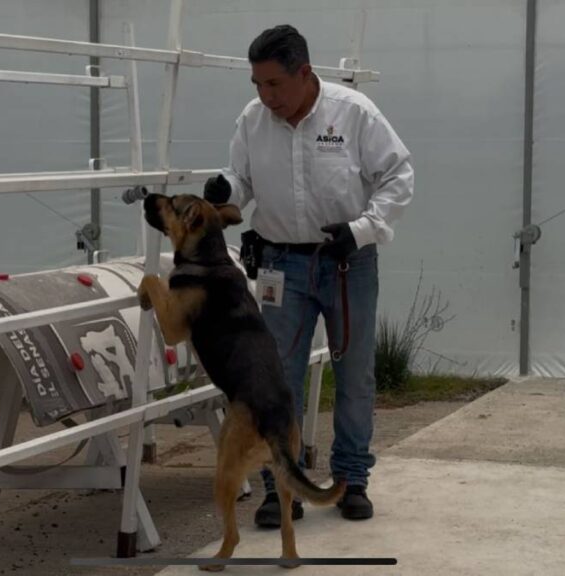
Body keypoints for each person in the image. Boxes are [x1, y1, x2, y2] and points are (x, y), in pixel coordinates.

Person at [203, 24, 414, 526]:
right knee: (277, 380)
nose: (264, 95)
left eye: (274, 84)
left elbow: (398, 175)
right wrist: (224, 188)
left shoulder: (353, 113)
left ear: (304, 73)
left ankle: (352, 479)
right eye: (256, 84)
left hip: (346, 262)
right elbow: (242, 181)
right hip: (279, 264)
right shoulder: (254, 120)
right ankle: (284, 487)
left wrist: (363, 229)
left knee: (354, 373)